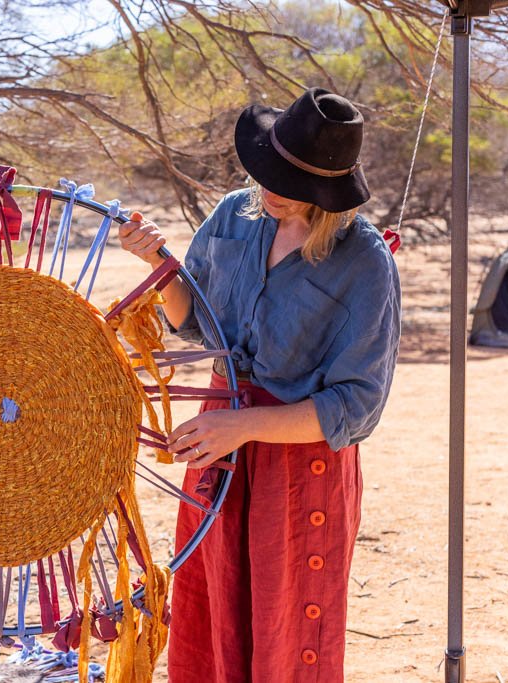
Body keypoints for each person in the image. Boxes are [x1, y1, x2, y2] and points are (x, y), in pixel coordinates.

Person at [118, 87, 401, 682]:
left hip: (299, 466)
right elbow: (194, 320)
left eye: (286, 183)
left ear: (326, 192)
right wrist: (160, 263)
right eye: (264, 171)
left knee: (284, 633)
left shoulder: (364, 260)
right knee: (210, 613)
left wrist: (242, 426)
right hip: (220, 451)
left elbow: (358, 405)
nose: (267, 188)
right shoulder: (235, 215)